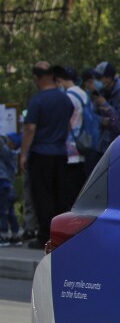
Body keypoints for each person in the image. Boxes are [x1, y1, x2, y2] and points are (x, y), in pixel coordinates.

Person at [19, 62, 81, 248]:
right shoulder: (65, 100)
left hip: (41, 152)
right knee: (59, 194)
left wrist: (23, 154)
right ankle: (61, 234)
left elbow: (30, 128)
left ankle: (45, 236)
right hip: (61, 153)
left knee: (42, 195)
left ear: (38, 78)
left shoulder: (37, 101)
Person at [0, 134, 18, 245]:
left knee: (3, 212)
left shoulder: (6, 154)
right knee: (10, 212)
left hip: (3, 185)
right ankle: (15, 235)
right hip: (9, 186)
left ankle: (4, 235)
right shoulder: (11, 156)